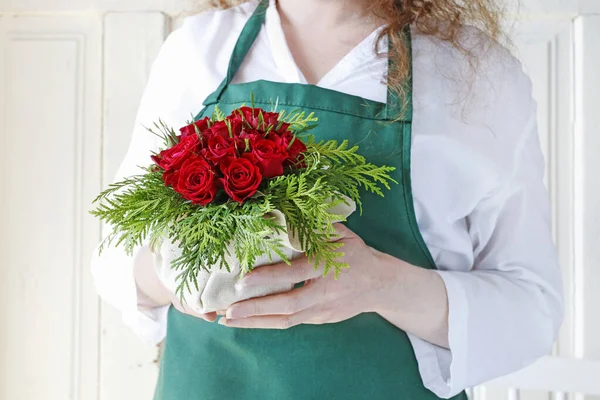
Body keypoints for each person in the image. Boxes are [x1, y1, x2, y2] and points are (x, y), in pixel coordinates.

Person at [90, 0, 564, 398]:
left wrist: (380, 283)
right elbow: (116, 254)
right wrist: (176, 274)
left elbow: (532, 307)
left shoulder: (473, 73)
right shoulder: (197, 50)